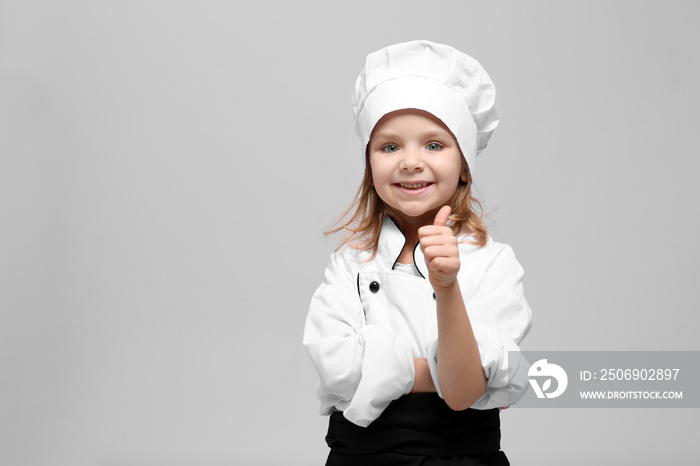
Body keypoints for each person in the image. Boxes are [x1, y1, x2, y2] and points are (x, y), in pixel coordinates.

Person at [303, 40, 533, 466]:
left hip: (462, 456)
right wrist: (435, 368)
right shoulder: (349, 263)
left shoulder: (493, 262)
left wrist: (446, 288)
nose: (410, 162)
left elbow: (463, 392)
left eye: (434, 145)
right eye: (389, 147)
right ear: (370, 165)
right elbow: (336, 368)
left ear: (464, 164)